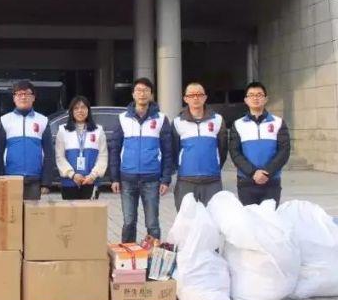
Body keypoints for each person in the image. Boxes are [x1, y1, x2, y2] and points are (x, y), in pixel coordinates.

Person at [109, 78, 173, 243]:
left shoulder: (161, 119)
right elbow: (114, 150)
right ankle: (128, 256)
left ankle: (154, 257)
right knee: (129, 222)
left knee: (152, 224)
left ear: (151, 94)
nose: (142, 94)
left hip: (152, 179)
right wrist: (114, 178)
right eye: (138, 90)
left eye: (146, 90)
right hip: (127, 179)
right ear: (133, 94)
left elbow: (168, 152)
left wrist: (166, 179)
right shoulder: (123, 118)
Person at [229, 81, 291, 206]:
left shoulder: (278, 122)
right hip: (246, 181)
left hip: (271, 181)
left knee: (270, 217)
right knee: (249, 217)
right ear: (246, 100)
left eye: (259, 95)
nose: (255, 98)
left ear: (266, 99)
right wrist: (253, 173)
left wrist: (267, 172)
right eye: (251, 95)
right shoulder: (238, 124)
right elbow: (235, 153)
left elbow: (284, 151)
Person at [171, 82, 228, 210]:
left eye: (199, 94)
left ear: (205, 97)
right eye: (191, 95)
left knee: (213, 218)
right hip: (186, 180)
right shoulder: (177, 122)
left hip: (212, 180)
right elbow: (174, 150)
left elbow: (223, 148)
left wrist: (215, 165)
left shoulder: (217, 120)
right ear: (185, 99)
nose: (196, 98)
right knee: (186, 218)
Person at [0, 80, 53, 200]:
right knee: (12, 212)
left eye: (27, 93)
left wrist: (46, 182)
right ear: (14, 98)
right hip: (10, 178)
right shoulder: (5, 120)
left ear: (33, 97)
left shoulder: (42, 121)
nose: (23, 97)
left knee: (32, 212)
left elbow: (49, 153)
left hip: (34, 179)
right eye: (19, 94)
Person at [55, 95, 107, 200]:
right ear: (71, 111)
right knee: (69, 210)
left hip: (90, 181)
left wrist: (93, 176)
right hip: (69, 182)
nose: (80, 111)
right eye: (76, 108)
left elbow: (103, 156)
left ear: (88, 110)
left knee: (89, 211)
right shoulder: (63, 131)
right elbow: (59, 157)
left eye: (83, 107)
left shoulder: (98, 130)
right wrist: (72, 175)